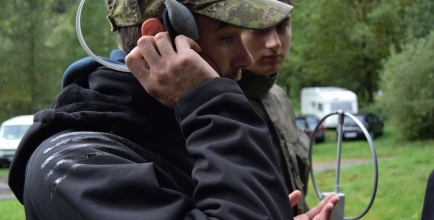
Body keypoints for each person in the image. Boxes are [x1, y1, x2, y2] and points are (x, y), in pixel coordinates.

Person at [9, 0, 339, 219]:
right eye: (226, 38)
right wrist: (209, 101)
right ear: (159, 40)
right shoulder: (74, 166)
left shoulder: (184, 132)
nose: (245, 59)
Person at [237, 0, 311, 215]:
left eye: (282, 26)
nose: (274, 43)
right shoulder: (217, 104)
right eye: (259, 28)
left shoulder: (279, 96)